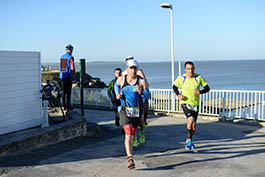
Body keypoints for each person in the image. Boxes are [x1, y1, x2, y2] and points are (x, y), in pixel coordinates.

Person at [115, 58, 150, 169]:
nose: (133, 70)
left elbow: (148, 96)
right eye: (131, 68)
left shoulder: (141, 81)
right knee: (128, 133)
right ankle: (130, 159)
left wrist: (142, 92)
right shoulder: (122, 79)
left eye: (135, 68)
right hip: (124, 109)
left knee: (133, 132)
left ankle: (135, 137)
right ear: (127, 69)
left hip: (136, 110)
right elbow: (116, 86)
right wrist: (117, 94)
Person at [173, 61, 210, 151]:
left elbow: (207, 88)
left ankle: (190, 138)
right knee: (190, 120)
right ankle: (189, 141)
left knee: (193, 125)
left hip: (195, 104)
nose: (191, 70)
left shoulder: (199, 77)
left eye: (192, 68)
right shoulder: (181, 78)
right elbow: (174, 86)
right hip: (185, 103)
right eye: (188, 69)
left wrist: (200, 91)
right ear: (185, 69)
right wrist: (178, 95)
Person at [122, 56, 150, 147]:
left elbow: (145, 84)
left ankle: (142, 131)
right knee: (130, 125)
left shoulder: (139, 72)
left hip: (139, 99)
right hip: (127, 105)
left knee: (139, 121)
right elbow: (119, 86)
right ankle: (133, 137)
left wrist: (141, 91)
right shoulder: (124, 74)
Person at [59, 44, 75, 112]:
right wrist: (73, 73)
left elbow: (61, 67)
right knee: (68, 92)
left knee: (63, 92)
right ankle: (68, 107)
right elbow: (72, 67)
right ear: (71, 50)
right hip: (68, 76)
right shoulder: (70, 57)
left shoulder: (62, 57)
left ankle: (64, 106)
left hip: (62, 76)